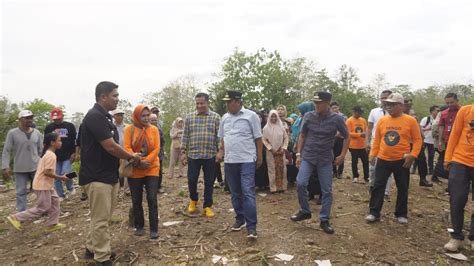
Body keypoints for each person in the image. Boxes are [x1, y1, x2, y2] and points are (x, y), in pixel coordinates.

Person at [79, 81, 140, 266]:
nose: (117, 99)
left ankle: (92, 248)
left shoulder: (105, 117)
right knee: (100, 220)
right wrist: (131, 156)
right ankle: (102, 258)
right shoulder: (94, 117)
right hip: (97, 177)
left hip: (108, 175)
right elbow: (110, 146)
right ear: (103, 96)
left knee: (102, 217)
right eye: (114, 96)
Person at [290, 92, 349, 234]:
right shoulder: (309, 116)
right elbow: (302, 135)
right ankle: (305, 210)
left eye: (319, 103)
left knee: (327, 190)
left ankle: (324, 220)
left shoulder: (337, 119)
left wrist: (342, 155)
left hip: (325, 159)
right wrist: (298, 154)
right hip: (308, 156)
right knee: (301, 182)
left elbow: (347, 136)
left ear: (327, 103)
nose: (316, 105)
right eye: (315, 103)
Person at [366, 93, 422, 224]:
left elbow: (418, 140)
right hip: (383, 159)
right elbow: (378, 140)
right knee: (378, 186)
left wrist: (412, 155)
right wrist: (373, 155)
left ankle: (401, 214)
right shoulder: (383, 120)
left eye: (392, 104)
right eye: (387, 104)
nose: (388, 107)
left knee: (402, 187)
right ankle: (374, 212)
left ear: (401, 106)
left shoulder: (410, 120)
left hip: (402, 160)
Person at [217, 90, 263, 239]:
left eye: (229, 102)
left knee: (248, 191)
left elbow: (258, 138)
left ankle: (251, 227)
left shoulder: (251, 116)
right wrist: (221, 152)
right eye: (226, 102)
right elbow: (223, 137)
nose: (227, 105)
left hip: (247, 159)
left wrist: (259, 157)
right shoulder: (225, 118)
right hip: (230, 161)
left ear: (237, 102)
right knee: (235, 192)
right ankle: (240, 218)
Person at [6, 132, 68, 231]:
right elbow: (47, 172)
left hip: (46, 185)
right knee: (43, 207)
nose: (61, 142)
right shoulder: (51, 156)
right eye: (59, 140)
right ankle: (16, 217)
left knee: (55, 201)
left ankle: (52, 224)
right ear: (52, 143)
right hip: (42, 185)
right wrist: (61, 178)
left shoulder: (49, 154)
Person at [180, 93, 221, 218]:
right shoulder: (189, 117)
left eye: (202, 103)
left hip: (210, 155)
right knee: (192, 179)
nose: (199, 106)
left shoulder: (215, 117)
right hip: (193, 155)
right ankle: (193, 200)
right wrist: (183, 152)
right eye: (197, 103)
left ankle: (207, 206)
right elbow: (185, 135)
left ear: (207, 103)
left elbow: (219, 136)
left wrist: (220, 151)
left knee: (209, 182)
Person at [123, 105, 160, 239]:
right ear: (137, 116)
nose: (145, 118)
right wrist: (138, 161)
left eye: (147, 115)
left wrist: (147, 161)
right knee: (136, 199)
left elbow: (156, 148)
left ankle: (154, 228)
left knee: (152, 198)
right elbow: (127, 147)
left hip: (152, 167)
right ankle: (139, 226)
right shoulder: (129, 129)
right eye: (143, 115)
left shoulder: (154, 130)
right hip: (135, 168)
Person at [443, 104, 474, 252]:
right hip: (460, 160)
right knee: (456, 199)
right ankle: (456, 236)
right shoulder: (466, 110)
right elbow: (455, 134)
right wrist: (448, 158)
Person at [2, 110, 43, 211]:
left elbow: (41, 150)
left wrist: (42, 164)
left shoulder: (37, 133)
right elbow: (6, 150)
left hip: (35, 167)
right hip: (20, 168)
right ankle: (22, 213)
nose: (29, 120)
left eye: (30, 118)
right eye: (26, 118)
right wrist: (5, 166)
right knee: (20, 192)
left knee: (40, 189)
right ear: (19, 120)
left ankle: (42, 209)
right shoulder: (12, 133)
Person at [44, 107, 77, 200]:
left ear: (62, 116)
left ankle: (71, 187)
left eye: (58, 118)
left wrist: (74, 153)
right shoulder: (49, 128)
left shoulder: (69, 126)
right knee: (56, 175)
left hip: (67, 155)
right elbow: (45, 142)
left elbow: (74, 140)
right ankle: (60, 194)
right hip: (55, 156)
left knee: (66, 172)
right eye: (55, 119)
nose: (57, 120)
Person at [366, 90, 393, 200]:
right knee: (373, 168)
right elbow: (369, 127)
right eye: (382, 98)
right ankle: (372, 185)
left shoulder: (394, 113)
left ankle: (385, 192)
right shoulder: (374, 111)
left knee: (388, 169)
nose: (384, 100)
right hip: (375, 143)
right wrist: (366, 141)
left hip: (389, 144)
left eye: (386, 97)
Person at [436, 93, 462, 182]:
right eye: (447, 103)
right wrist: (439, 141)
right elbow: (441, 127)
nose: (449, 105)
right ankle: (451, 183)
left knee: (460, 163)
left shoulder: (463, 111)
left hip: (461, 143)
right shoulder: (443, 113)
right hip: (448, 142)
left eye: (452, 102)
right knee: (449, 162)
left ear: (457, 101)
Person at [262, 110, 289, 193]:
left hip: (281, 151)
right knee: (272, 169)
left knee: (282, 169)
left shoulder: (281, 127)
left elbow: (286, 138)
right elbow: (264, 139)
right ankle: (273, 188)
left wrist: (283, 148)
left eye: (275, 116)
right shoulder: (266, 128)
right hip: (271, 152)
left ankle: (283, 187)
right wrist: (270, 148)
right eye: (272, 116)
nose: (273, 118)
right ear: (269, 117)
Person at [346, 106, 369, 183]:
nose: (360, 114)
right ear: (354, 112)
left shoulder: (363, 120)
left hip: (363, 145)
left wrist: (366, 141)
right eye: (359, 112)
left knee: (365, 161)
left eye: (361, 113)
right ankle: (355, 176)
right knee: (354, 161)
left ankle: (366, 177)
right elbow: (348, 133)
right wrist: (359, 135)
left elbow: (366, 131)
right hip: (353, 145)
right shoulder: (349, 121)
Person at [111, 109, 129, 191]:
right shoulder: (110, 126)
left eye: (121, 115)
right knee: (115, 169)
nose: (120, 117)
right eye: (118, 115)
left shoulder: (127, 127)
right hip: (114, 151)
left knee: (127, 169)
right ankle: (116, 188)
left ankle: (127, 189)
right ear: (114, 116)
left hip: (125, 150)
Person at [420, 106, 439, 178]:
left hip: (433, 141)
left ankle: (431, 171)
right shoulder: (426, 119)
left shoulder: (438, 120)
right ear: (432, 111)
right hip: (424, 140)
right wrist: (427, 129)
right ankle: (415, 169)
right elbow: (419, 129)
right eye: (436, 110)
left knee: (431, 156)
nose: (438, 112)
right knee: (420, 155)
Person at [330, 101, 347, 179]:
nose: (334, 109)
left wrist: (339, 133)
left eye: (335, 107)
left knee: (340, 154)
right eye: (332, 108)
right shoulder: (329, 116)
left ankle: (340, 173)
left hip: (340, 138)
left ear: (338, 107)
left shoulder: (343, 116)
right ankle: (334, 171)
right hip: (332, 138)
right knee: (332, 154)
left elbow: (345, 128)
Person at [150, 113, 165, 194]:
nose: (153, 121)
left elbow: (163, 141)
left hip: (159, 154)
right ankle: (150, 187)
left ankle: (158, 187)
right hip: (148, 154)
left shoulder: (159, 130)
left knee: (159, 171)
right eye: (152, 120)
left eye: (155, 120)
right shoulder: (145, 129)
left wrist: (162, 150)